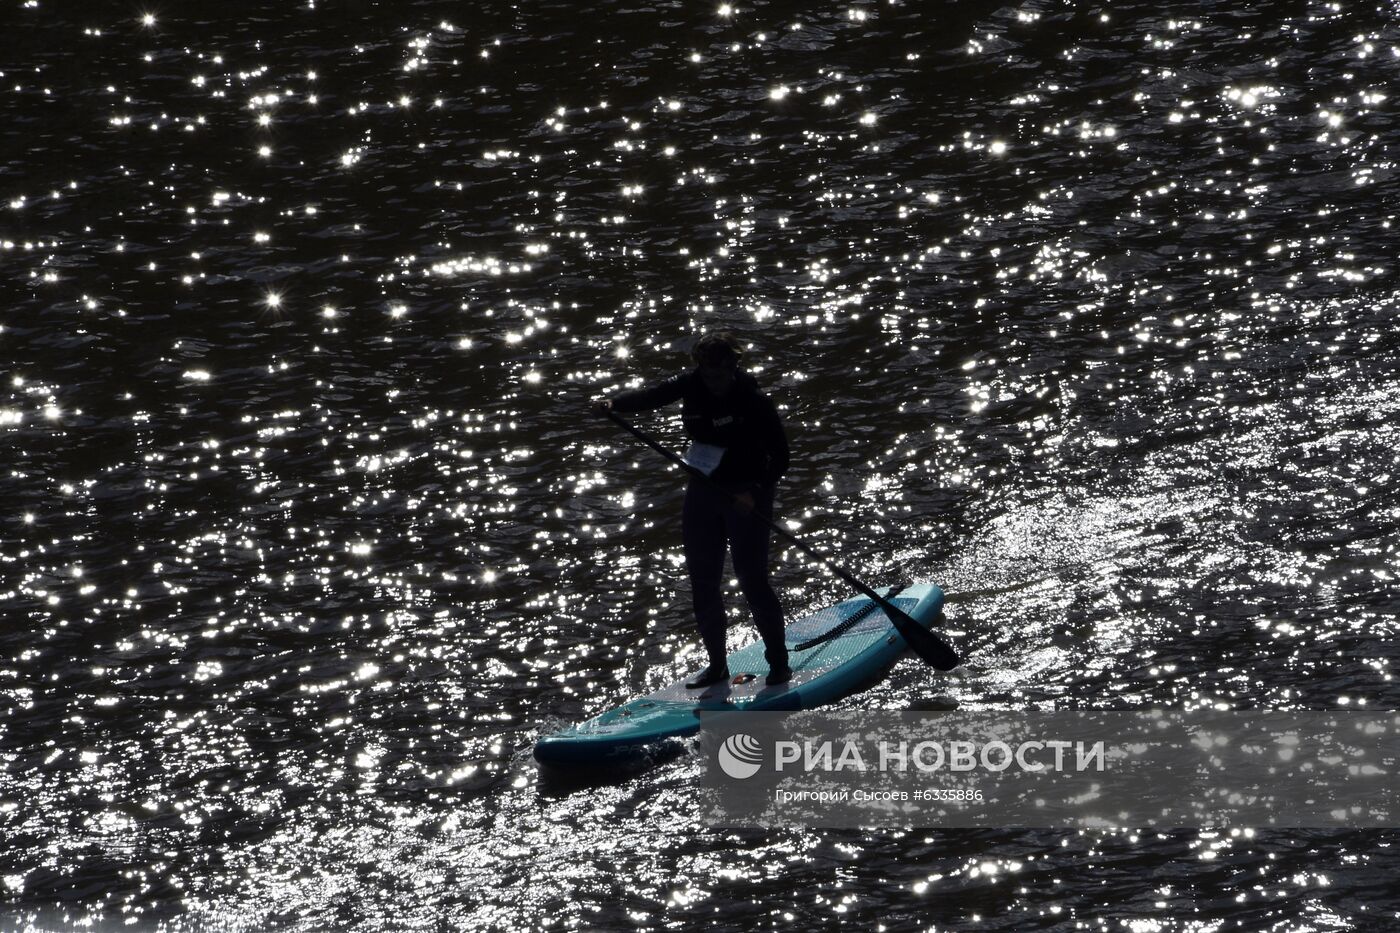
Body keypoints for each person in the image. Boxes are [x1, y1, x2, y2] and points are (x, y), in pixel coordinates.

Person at [593, 331, 791, 688]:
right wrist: (614, 404)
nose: (711, 380)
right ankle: (717, 666)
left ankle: (779, 664)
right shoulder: (692, 383)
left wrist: (755, 490)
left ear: (732, 367)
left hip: (747, 493)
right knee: (703, 582)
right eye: (705, 372)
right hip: (704, 488)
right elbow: (653, 395)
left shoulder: (754, 399)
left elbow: (781, 456)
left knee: (752, 581)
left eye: (718, 374)